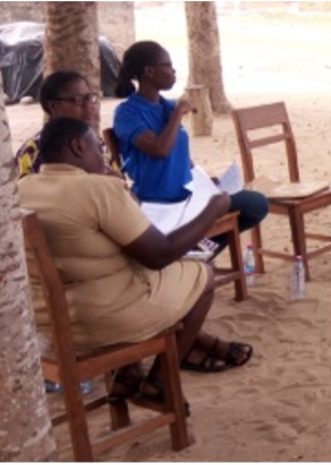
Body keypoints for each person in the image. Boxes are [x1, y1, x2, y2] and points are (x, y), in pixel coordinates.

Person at [19, 118, 255, 402]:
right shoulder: (96, 189)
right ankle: (161, 382)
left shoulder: (21, 189)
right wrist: (213, 209)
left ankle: (128, 376)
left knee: (122, 275)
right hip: (105, 321)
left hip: (49, 328)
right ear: (78, 146)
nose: (104, 157)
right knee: (202, 273)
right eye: (99, 149)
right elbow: (160, 255)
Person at [112, 41, 269, 251]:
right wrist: (178, 114)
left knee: (255, 204)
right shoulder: (128, 113)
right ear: (149, 71)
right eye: (167, 65)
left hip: (190, 194)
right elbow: (160, 149)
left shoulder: (166, 105)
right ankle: (191, 253)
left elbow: (181, 154)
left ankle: (197, 252)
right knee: (242, 206)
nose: (173, 70)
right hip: (159, 203)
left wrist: (203, 179)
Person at [16, 71, 106, 177]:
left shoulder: (99, 144)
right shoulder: (31, 152)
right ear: (53, 106)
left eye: (90, 98)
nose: (89, 106)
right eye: (78, 100)